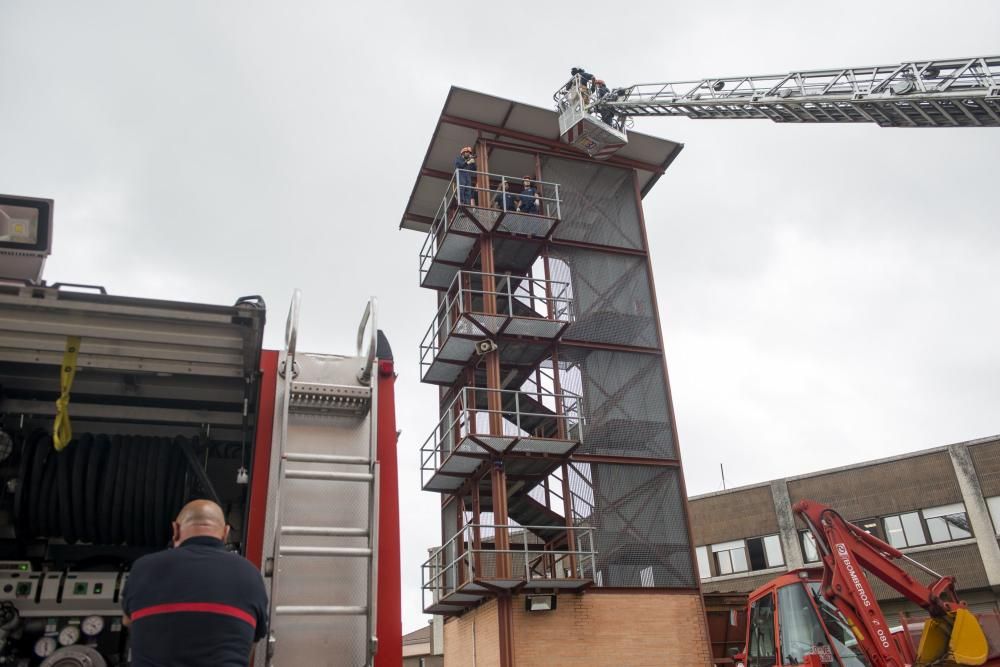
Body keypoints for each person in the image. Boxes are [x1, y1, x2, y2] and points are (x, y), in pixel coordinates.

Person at [122, 500, 269, 667]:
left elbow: (128, 622)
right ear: (225, 533)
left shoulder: (143, 568)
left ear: (175, 530)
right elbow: (253, 639)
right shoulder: (250, 573)